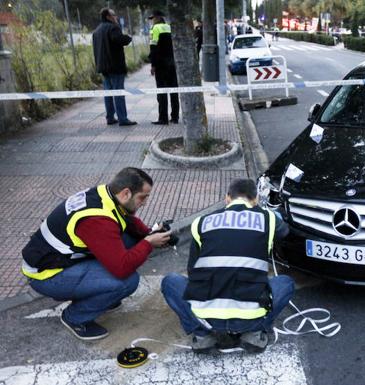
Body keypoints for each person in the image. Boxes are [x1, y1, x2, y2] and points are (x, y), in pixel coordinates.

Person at [21, 167, 172, 340]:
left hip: (56, 259)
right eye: (142, 197)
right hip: (47, 276)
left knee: (130, 241)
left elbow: (125, 219)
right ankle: (74, 317)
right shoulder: (97, 221)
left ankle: (101, 294)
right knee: (127, 281)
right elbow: (121, 268)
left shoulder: (104, 194)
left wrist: (148, 233)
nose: (144, 202)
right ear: (126, 193)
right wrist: (148, 242)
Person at [161, 179, 294, 353]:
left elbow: (193, 272)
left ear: (227, 198)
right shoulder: (267, 218)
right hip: (250, 318)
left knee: (170, 281)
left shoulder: (201, 222)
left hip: (206, 318)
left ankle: (202, 337)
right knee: (285, 283)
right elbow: (284, 231)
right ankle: (253, 335)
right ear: (255, 200)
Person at [92, 8, 137, 126]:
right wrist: (128, 38)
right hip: (115, 66)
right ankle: (122, 118)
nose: (116, 17)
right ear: (108, 16)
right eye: (114, 15)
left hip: (103, 67)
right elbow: (118, 39)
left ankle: (110, 117)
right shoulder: (113, 28)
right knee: (118, 92)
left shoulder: (96, 31)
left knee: (108, 92)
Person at [148, 10, 179, 125]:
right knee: (174, 90)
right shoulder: (169, 27)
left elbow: (154, 48)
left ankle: (163, 118)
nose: (152, 21)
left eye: (153, 18)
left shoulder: (154, 29)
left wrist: (153, 65)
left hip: (161, 64)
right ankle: (175, 117)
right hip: (172, 63)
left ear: (157, 18)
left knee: (162, 91)